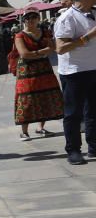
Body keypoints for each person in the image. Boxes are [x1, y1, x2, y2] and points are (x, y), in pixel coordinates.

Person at [53, 0, 96, 165]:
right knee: (73, 113)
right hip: (74, 72)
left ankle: (94, 147)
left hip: (94, 68)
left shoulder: (94, 13)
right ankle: (73, 150)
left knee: (93, 111)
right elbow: (60, 48)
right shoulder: (67, 18)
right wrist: (89, 36)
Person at [14, 10, 64, 141]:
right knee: (27, 99)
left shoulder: (45, 33)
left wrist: (41, 51)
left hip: (44, 69)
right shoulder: (20, 36)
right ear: (24, 20)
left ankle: (40, 128)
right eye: (28, 18)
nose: (31, 20)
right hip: (27, 71)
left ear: (38, 19)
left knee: (45, 95)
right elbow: (24, 54)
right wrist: (42, 51)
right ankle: (24, 131)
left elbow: (53, 47)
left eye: (34, 17)